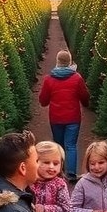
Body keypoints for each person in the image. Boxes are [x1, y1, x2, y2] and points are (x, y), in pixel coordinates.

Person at [38, 49, 90, 183]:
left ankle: (58, 172)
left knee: (58, 145)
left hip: (56, 118)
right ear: (70, 62)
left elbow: (43, 101)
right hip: (73, 118)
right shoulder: (77, 78)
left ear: (57, 62)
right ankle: (71, 174)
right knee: (71, 145)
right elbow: (85, 96)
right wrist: (85, 102)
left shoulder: (49, 79)